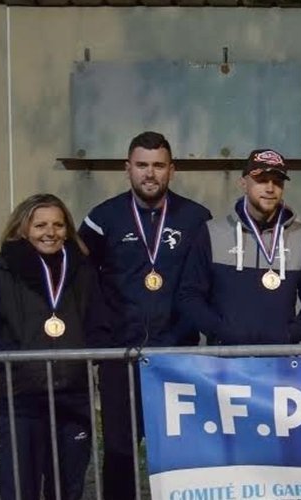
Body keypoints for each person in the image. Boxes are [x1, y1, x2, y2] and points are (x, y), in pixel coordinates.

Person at [79, 131, 211, 499]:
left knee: (181, 450)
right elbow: (80, 282)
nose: (149, 173)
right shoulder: (102, 218)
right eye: (141, 165)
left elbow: (208, 283)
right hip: (120, 356)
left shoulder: (196, 218)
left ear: (172, 169)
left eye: (158, 165)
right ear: (127, 168)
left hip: (177, 356)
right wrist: (99, 339)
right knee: (120, 450)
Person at [0, 193, 110, 500]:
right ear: (23, 229)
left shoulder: (83, 271)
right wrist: (19, 359)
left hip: (73, 401)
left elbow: (101, 328)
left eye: (58, 224)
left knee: (67, 490)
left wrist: (82, 351)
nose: (50, 232)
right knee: (19, 490)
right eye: (40, 225)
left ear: (67, 229)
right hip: (21, 402)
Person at [178, 149, 301, 344]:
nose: (270, 188)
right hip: (225, 357)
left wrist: (291, 334)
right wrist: (220, 332)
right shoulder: (212, 232)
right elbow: (189, 294)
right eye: (261, 180)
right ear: (243, 183)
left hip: (281, 357)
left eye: (277, 181)